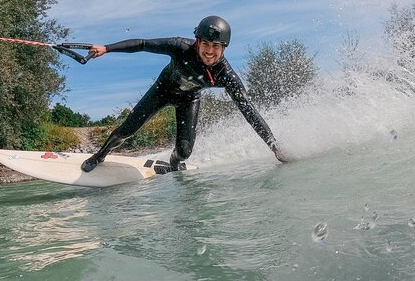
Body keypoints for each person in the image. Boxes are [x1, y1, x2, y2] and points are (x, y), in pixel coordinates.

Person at [81, 15, 289, 172]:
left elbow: (249, 112)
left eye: (216, 46)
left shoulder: (226, 75)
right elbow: (143, 44)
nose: (209, 51)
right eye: (205, 44)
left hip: (189, 99)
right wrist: (107, 48)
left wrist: (274, 147)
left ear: (224, 48)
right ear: (198, 41)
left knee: (184, 151)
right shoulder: (180, 47)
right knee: (127, 130)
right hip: (162, 91)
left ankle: (173, 164)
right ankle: (100, 155)